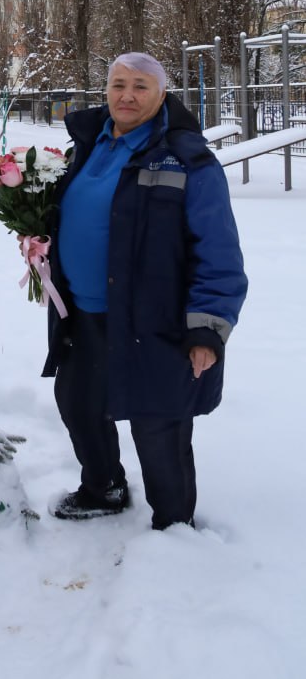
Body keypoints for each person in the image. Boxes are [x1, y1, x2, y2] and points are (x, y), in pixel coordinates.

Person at [40, 52, 247, 530]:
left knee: (159, 421)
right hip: (81, 312)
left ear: (161, 94)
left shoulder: (188, 158)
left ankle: (174, 526)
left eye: (140, 86)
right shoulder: (86, 146)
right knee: (79, 405)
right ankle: (104, 487)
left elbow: (219, 254)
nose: (126, 96)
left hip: (155, 317)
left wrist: (207, 330)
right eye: (117, 85)